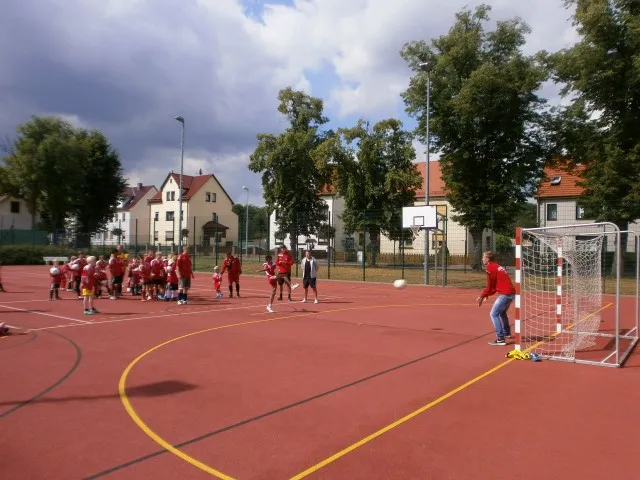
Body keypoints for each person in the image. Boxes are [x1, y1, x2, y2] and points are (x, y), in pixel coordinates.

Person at [477, 251, 515, 346]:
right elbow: (494, 286)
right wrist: (487, 294)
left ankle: (500, 339)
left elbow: (490, 286)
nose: (482, 259)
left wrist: (482, 295)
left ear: (488, 259)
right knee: (502, 312)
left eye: (483, 257)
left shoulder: (490, 268)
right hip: (511, 292)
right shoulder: (497, 266)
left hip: (505, 293)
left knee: (493, 314)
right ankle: (507, 333)